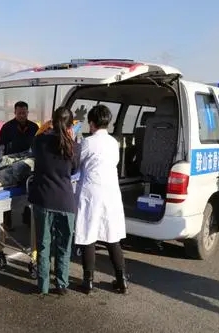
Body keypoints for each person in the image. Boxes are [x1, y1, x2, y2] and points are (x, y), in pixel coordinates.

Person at [74, 104, 128, 295]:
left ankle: (88, 282)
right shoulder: (114, 142)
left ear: (92, 123)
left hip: (92, 192)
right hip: (111, 193)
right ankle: (122, 281)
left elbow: (76, 164)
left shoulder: (88, 142)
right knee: (112, 236)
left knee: (88, 234)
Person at [28, 106, 78, 296]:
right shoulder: (74, 146)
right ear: (70, 125)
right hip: (65, 201)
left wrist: (47, 127)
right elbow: (73, 170)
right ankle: (62, 284)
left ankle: (43, 286)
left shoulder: (40, 141)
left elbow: (37, 140)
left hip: (42, 199)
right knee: (63, 245)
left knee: (43, 244)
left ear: (52, 121)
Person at [0, 101, 39, 231]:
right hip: (10, 165)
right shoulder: (7, 127)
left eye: (24, 113)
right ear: (14, 113)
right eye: (19, 113)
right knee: (8, 194)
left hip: (28, 165)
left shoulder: (34, 127)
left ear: (27, 112)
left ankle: (28, 218)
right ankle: (7, 222)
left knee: (29, 192)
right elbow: (0, 147)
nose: (22, 115)